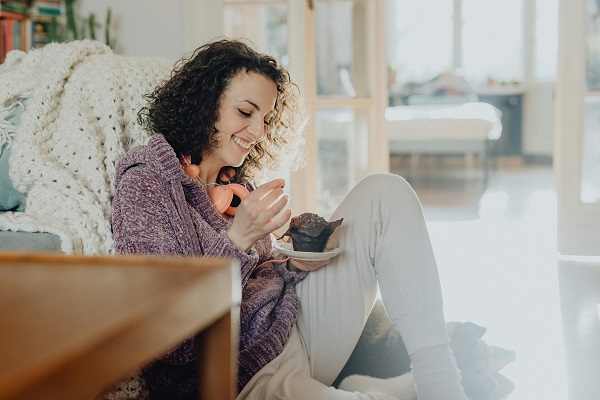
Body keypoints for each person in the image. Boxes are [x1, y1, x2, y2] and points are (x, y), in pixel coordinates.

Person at [111, 39, 468, 400]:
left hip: (293, 323)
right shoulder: (146, 183)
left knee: (385, 192)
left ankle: (440, 380)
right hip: (242, 373)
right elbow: (168, 338)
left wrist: (294, 263)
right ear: (204, 104)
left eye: (265, 119)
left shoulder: (234, 182)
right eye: (245, 112)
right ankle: (376, 391)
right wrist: (237, 239)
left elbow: (260, 274)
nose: (258, 132)